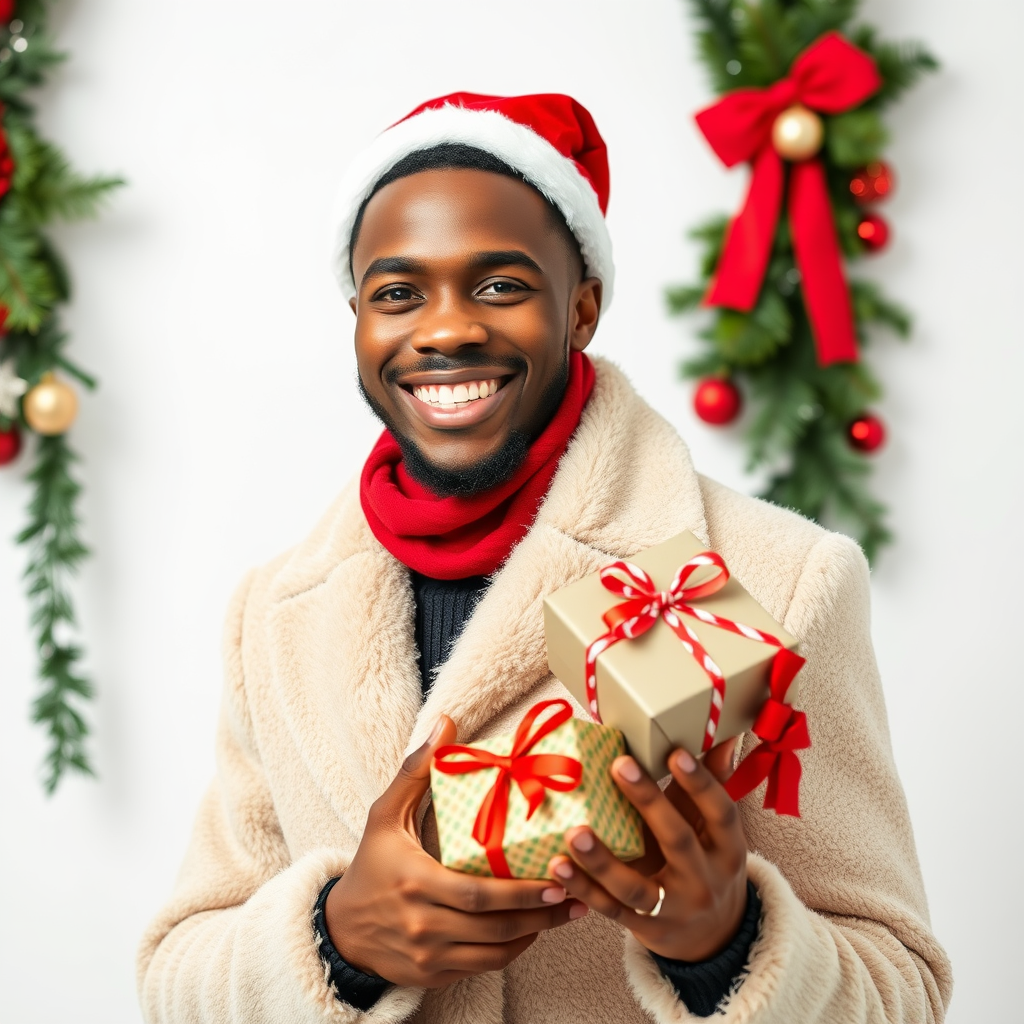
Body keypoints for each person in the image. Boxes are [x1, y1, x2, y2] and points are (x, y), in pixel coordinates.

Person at [137, 93, 952, 1023]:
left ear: (583, 309)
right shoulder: (275, 612)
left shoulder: (769, 579)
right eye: (398, 293)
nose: (445, 329)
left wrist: (727, 947)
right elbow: (178, 970)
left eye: (499, 285)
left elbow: (906, 991)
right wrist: (336, 944)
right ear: (358, 318)